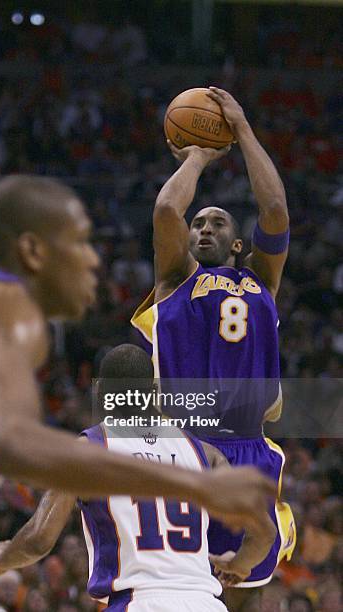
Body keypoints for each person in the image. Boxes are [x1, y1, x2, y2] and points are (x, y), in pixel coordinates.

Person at [0, 175, 275, 611]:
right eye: (81, 242)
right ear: (33, 252)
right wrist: (194, 487)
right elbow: (15, 444)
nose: (92, 260)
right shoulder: (0, 307)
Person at [131, 88, 296, 612]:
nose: (203, 228)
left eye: (216, 222)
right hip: (188, 444)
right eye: (198, 223)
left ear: (238, 243)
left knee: (245, 583)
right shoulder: (176, 278)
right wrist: (199, 154)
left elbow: (273, 209)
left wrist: (242, 129)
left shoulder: (262, 280)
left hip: (249, 445)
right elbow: (165, 210)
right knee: (174, 589)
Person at [0, 344, 276, 611]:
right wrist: (238, 565)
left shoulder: (87, 452)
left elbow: (39, 539)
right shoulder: (205, 453)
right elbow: (264, 533)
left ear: (101, 393)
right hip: (205, 603)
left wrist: (1, 557)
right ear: (155, 392)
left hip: (137, 602)